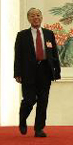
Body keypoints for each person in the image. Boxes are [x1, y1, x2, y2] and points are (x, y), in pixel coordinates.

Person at [14, 8, 61, 137]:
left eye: (38, 15)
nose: (36, 18)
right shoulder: (22, 35)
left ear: (41, 17)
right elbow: (18, 56)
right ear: (28, 19)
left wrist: (57, 71)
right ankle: (23, 119)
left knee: (43, 100)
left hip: (45, 70)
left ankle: (39, 128)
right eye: (33, 16)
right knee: (29, 100)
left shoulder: (48, 34)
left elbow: (54, 54)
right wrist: (17, 73)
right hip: (28, 72)